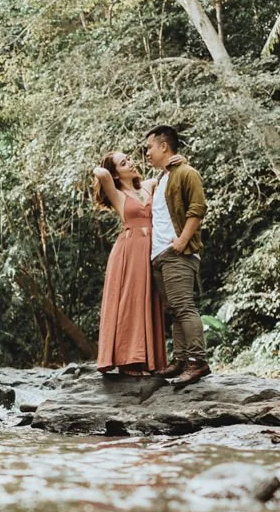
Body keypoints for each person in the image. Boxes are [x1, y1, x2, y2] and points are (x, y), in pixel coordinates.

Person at [143, 124, 210, 385]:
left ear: (163, 146)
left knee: (184, 307)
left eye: (149, 147)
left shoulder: (186, 173)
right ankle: (181, 359)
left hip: (177, 253)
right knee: (174, 310)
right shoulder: (162, 179)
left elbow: (198, 208)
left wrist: (182, 241)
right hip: (159, 255)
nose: (146, 153)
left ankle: (197, 361)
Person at [90, 150, 167, 375]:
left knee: (149, 300)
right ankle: (127, 360)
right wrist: (105, 165)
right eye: (124, 163)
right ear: (116, 174)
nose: (131, 163)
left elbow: (169, 176)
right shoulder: (117, 193)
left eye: (130, 159)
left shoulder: (149, 185)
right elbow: (101, 172)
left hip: (151, 248)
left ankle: (148, 361)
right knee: (130, 302)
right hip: (129, 251)